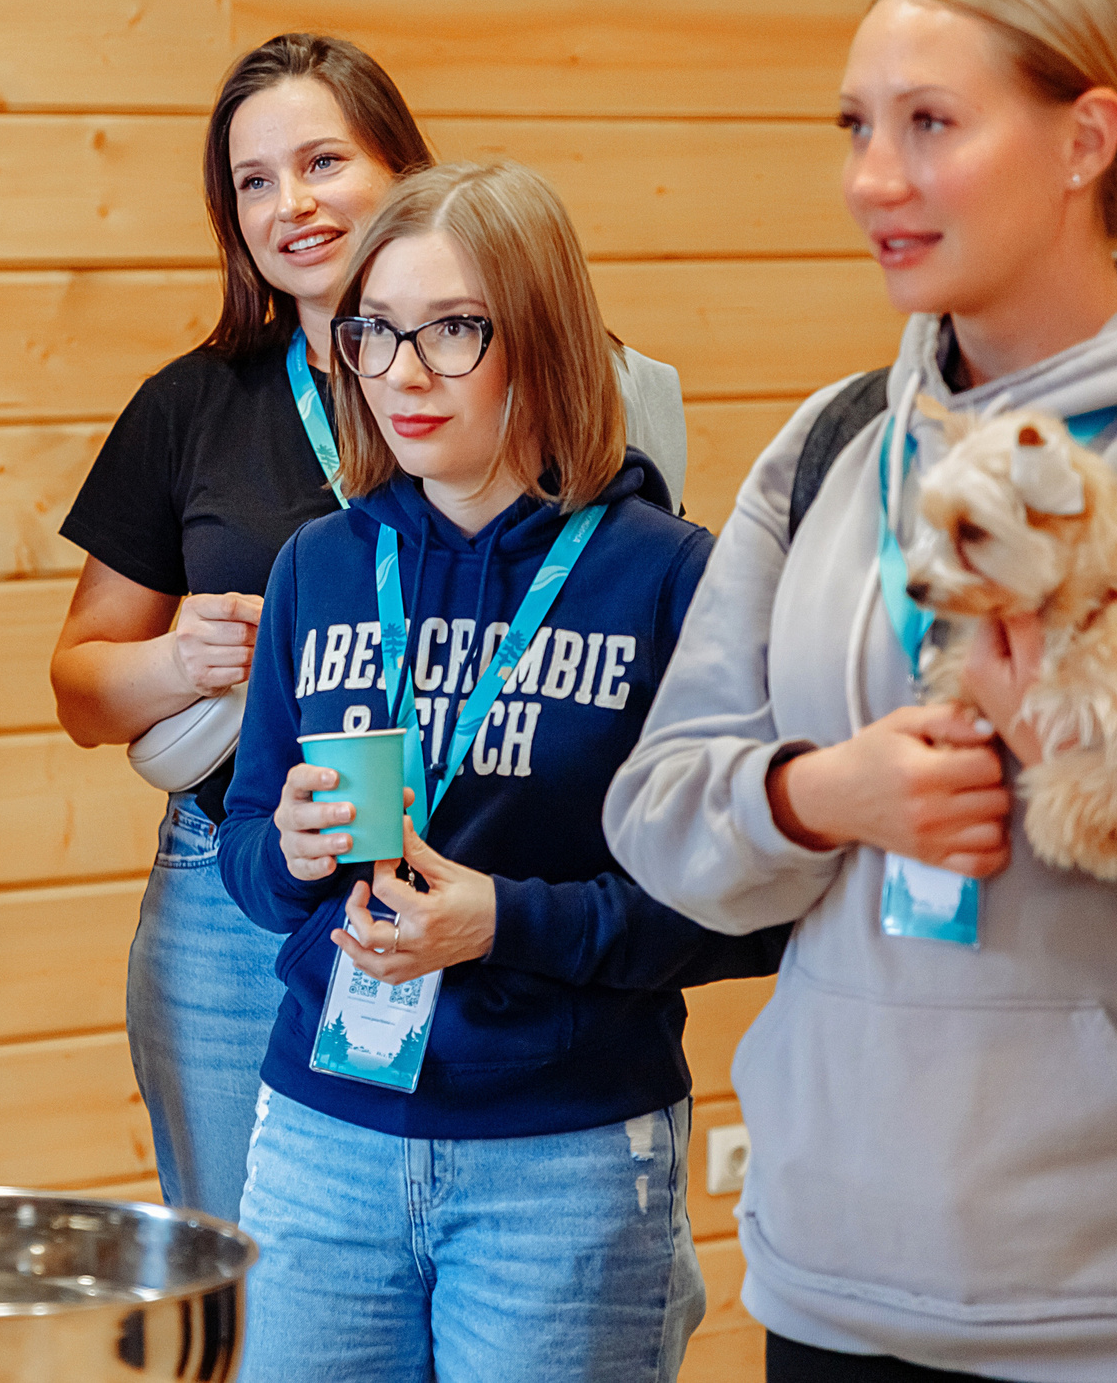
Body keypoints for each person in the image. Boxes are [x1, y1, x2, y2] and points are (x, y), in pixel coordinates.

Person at [604, 0, 1117, 1382]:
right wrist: (816, 796)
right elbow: (658, 804)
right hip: (838, 1282)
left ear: (1086, 137)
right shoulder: (834, 446)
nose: (873, 179)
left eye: (931, 124)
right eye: (855, 125)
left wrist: (1100, 764)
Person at [49, 34, 689, 1223]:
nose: (288, 205)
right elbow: (79, 687)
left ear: (398, 166)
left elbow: (629, 618)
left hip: (507, 874)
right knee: (265, 1264)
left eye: (321, 160)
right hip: (259, 871)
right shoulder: (192, 406)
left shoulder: (579, 377)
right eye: (251, 181)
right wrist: (176, 662)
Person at [216, 160, 785, 1380]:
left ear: (542, 341)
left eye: (453, 331)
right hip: (326, 1135)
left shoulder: (668, 579)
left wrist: (504, 924)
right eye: (373, 334)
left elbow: (742, 908)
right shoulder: (318, 563)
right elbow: (249, 851)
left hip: (564, 1153)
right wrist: (290, 851)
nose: (403, 375)